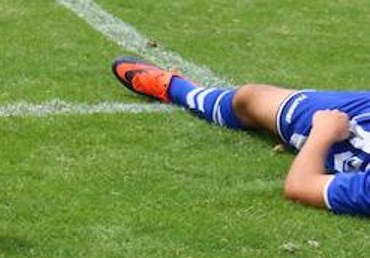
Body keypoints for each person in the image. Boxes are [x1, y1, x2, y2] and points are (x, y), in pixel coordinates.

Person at [111, 58, 367, 217]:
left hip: (343, 133)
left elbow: (299, 186)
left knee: (248, 98)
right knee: (251, 97)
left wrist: (323, 132)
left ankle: (178, 89)